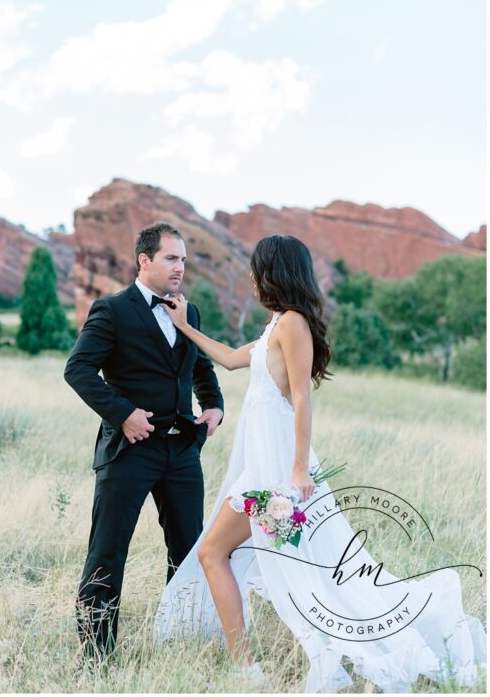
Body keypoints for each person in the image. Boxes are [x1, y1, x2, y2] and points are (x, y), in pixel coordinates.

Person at [154, 234, 486, 691]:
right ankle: (246, 660)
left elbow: (302, 400)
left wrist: (296, 472)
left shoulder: (293, 325)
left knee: (221, 554)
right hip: (263, 472)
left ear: (274, 271)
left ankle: (245, 664)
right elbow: (232, 360)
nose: (252, 276)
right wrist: (185, 326)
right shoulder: (277, 324)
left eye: (257, 268)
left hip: (275, 478)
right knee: (281, 564)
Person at [63, 222, 224, 659]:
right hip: (129, 451)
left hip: (182, 451)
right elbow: (77, 370)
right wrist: (124, 414)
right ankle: (96, 655)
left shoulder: (188, 313)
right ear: (145, 260)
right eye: (172, 258)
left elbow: (199, 367)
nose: (180, 268)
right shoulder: (112, 310)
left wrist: (214, 405)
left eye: (184, 260)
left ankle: (179, 642)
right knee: (108, 551)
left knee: (190, 552)